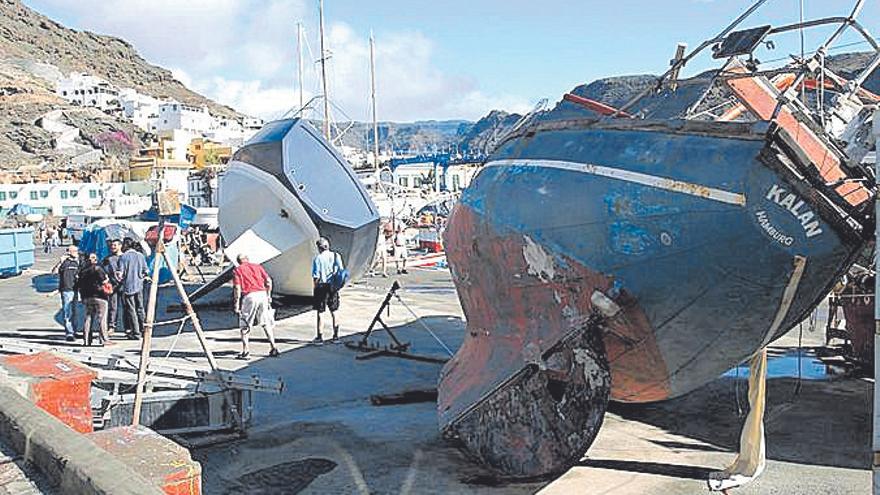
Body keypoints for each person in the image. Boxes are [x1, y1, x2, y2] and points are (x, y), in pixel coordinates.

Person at [232, 254, 280, 360]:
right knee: (266, 322)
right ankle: (273, 347)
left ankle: (246, 351)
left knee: (245, 324)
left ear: (238, 261)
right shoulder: (257, 266)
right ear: (248, 259)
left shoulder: (238, 270)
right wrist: (268, 295)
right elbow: (269, 281)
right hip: (262, 294)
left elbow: (237, 288)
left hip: (249, 296)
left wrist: (236, 304)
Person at [311, 237, 343, 343]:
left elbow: (316, 276)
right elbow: (341, 270)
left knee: (321, 312)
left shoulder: (318, 259)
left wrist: (314, 287)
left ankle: (320, 337)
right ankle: (336, 336)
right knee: (335, 310)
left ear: (319, 248)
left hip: (322, 286)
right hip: (333, 286)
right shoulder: (336, 255)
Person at [76, 253, 112, 346]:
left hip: (87, 296)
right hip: (99, 295)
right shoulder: (98, 269)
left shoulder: (82, 271)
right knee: (102, 318)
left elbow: (78, 284)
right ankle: (104, 340)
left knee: (88, 318)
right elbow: (104, 281)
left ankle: (87, 340)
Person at [118, 238, 148, 339]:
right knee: (140, 308)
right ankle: (144, 330)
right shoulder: (140, 256)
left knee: (131, 310)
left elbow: (121, 274)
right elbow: (146, 271)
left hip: (128, 286)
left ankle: (136, 332)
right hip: (139, 285)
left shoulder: (123, 257)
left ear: (126, 245)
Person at [52, 245, 81, 341]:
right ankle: (69, 333)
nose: (77, 253)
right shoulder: (64, 263)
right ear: (69, 252)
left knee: (75, 312)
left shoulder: (77, 262)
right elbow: (54, 272)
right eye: (75, 251)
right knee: (67, 312)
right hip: (66, 290)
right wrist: (60, 262)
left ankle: (75, 331)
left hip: (75, 289)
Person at [101, 239, 125, 335]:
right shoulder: (108, 259)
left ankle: (128, 327)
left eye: (115, 245)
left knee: (127, 307)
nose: (113, 247)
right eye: (112, 245)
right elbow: (103, 271)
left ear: (120, 246)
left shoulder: (125, 257)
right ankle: (111, 326)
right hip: (113, 286)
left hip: (124, 286)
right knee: (112, 307)